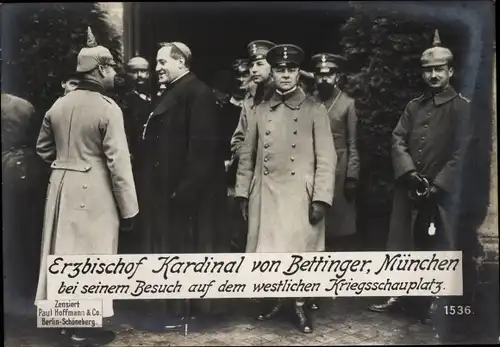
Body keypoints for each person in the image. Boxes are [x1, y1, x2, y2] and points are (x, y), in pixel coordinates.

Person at [34, 27, 138, 346]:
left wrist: (65, 162)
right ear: (99, 69)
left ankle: (67, 324)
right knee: (91, 257)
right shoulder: (108, 109)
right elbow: (119, 164)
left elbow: (42, 148)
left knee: (64, 252)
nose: (114, 74)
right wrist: (129, 209)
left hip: (61, 187)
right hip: (95, 191)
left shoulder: (59, 105)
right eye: (111, 68)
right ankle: (84, 329)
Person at [367, 30, 473, 325]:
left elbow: (462, 150)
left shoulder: (461, 107)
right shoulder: (414, 106)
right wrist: (410, 172)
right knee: (402, 242)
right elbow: (397, 138)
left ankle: (437, 301)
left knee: (440, 243)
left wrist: (439, 184)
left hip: (441, 191)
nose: (433, 75)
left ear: (450, 71)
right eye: (428, 71)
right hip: (409, 188)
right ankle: (399, 294)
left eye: (439, 69)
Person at [235, 44, 336, 333]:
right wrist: (243, 192)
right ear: (273, 73)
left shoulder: (315, 109)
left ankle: (300, 305)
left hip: (299, 195)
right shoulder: (261, 110)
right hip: (265, 193)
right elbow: (247, 154)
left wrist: (321, 198)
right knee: (271, 250)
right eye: (280, 70)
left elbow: (327, 158)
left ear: (298, 73)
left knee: (298, 251)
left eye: (291, 69)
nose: (286, 75)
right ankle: (280, 299)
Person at [138, 41, 228, 325]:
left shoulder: (197, 93)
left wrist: (184, 193)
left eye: (163, 62)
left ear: (181, 62)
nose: (157, 68)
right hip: (169, 190)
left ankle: (191, 310)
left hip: (188, 194)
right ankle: (174, 307)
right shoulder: (177, 91)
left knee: (189, 249)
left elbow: (202, 149)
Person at [2, 93, 47, 317]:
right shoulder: (25, 105)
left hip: (8, 167)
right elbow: (38, 139)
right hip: (27, 168)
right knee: (27, 226)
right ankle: (27, 285)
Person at [311, 53, 360, 251]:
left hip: (339, 171)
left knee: (339, 230)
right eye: (320, 74)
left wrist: (352, 176)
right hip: (313, 168)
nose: (324, 79)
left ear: (337, 77)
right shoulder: (309, 102)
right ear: (314, 77)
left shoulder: (348, 103)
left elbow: (353, 142)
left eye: (329, 74)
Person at [230, 40, 276, 160]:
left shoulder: (284, 97)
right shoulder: (250, 100)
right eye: (251, 65)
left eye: (260, 64)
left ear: (273, 67)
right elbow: (237, 141)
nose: (254, 70)